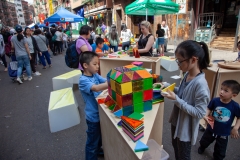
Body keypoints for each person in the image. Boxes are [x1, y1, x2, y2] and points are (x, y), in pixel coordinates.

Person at [161, 40, 210, 159]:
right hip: (176, 121)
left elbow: (200, 113)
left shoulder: (201, 85)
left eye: (180, 61)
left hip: (185, 130)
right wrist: (169, 86)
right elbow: (185, 92)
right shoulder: (187, 74)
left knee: (183, 155)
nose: (178, 64)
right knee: (175, 147)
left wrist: (176, 100)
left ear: (193, 60)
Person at [198, 80, 240, 160]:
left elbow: (239, 117)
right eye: (221, 89)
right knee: (205, 140)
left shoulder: (235, 106)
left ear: (234, 95)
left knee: (220, 149)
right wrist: (206, 115)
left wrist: (235, 128)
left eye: (225, 91)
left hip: (223, 133)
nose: (221, 92)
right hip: (211, 128)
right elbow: (209, 108)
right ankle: (202, 147)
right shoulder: (215, 100)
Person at [79, 51, 108, 160]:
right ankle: (91, 156)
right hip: (93, 117)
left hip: (100, 113)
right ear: (85, 65)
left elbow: (104, 80)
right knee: (92, 141)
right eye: (95, 64)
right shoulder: (83, 80)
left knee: (99, 137)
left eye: (98, 64)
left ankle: (97, 150)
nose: (97, 66)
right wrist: (114, 82)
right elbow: (96, 88)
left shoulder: (95, 74)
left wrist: (113, 77)